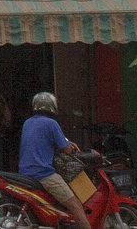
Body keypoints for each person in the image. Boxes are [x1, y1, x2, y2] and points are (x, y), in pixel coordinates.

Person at [20, 91, 88, 227]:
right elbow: (66, 149)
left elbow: (43, 139)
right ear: (52, 106)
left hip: (25, 172)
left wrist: (65, 142)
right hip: (44, 174)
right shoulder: (51, 123)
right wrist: (72, 148)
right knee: (76, 205)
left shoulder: (27, 122)